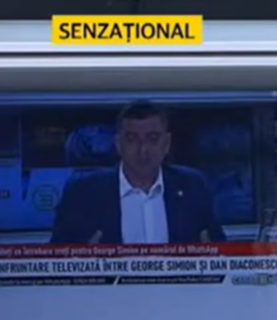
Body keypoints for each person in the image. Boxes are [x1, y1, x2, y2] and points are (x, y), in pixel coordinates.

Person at [50, 100, 226, 245]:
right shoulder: (83, 192)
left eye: (153, 139)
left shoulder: (192, 186)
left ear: (166, 143)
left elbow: (220, 254)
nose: (143, 150)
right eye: (132, 139)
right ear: (118, 144)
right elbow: (55, 263)